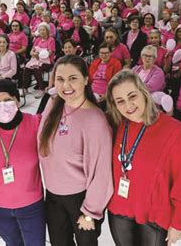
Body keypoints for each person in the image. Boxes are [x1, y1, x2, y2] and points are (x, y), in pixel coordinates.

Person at [105, 70, 181, 246]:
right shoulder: (117, 125)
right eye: (120, 101)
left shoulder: (175, 132)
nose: (128, 106)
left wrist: (179, 223)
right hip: (119, 208)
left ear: (144, 92)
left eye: (132, 96)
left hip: (154, 215)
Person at [38, 55, 113, 246]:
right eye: (60, 79)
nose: (66, 85)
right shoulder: (53, 104)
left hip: (81, 200)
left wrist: (90, 212)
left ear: (86, 80)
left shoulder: (95, 120)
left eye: (73, 78)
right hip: (53, 195)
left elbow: (102, 172)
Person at [0, 79, 45, 245]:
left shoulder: (36, 123)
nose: (2, 106)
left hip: (31, 205)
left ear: (17, 100)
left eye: (8, 99)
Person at [23, 22, 56, 98]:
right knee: (27, 68)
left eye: (43, 30)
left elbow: (50, 52)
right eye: (40, 30)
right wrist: (34, 54)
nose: (42, 31)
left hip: (47, 61)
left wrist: (38, 54)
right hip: (36, 59)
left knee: (36, 69)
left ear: (47, 31)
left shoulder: (51, 40)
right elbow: (31, 51)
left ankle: (42, 89)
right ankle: (25, 88)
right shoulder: (37, 40)